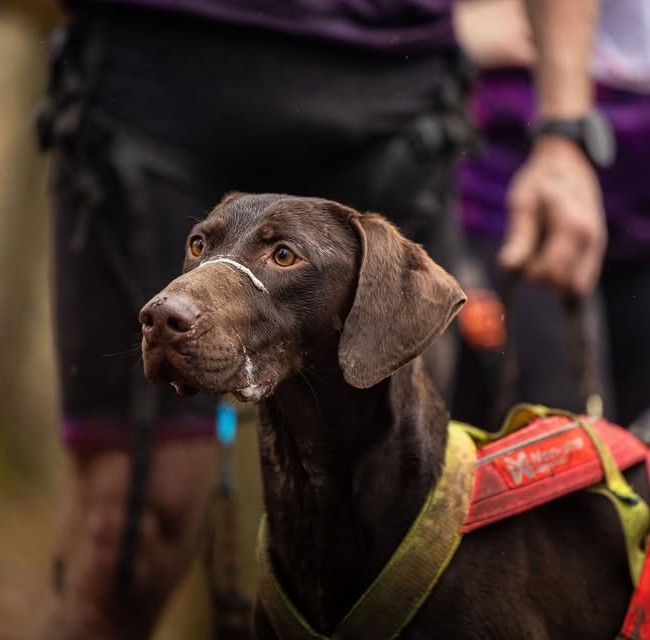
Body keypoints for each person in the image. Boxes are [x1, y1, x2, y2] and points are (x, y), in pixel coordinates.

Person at [34, 1, 606, 636]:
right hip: (155, 78)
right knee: (125, 537)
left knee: (408, 524)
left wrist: (565, 132)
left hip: (390, 97)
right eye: (198, 247)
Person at [451, 0, 650, 429]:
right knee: (554, 438)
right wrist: (451, 30)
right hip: (522, 187)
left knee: (638, 441)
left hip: (646, 210)